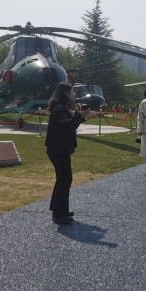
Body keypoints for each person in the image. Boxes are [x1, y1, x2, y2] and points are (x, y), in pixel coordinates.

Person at [45, 82, 89, 224]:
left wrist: (78, 115)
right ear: (66, 93)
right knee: (65, 179)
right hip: (58, 149)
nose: (74, 94)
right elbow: (66, 126)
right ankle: (59, 213)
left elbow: (69, 125)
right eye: (72, 91)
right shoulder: (59, 109)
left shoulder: (61, 108)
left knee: (63, 179)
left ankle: (59, 210)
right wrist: (79, 116)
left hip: (59, 149)